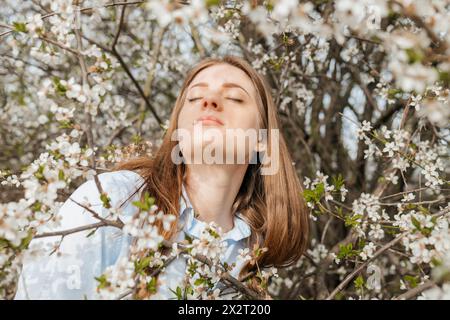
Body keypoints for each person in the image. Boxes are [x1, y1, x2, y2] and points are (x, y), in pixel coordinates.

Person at [14, 55, 309, 299]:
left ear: (262, 140)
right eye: (194, 97)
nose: (209, 101)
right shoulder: (114, 202)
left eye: (234, 97)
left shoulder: (252, 250)